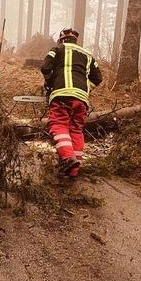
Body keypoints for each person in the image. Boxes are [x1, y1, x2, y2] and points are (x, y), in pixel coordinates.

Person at [40, 27, 102, 178]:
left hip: (62, 95)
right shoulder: (88, 56)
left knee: (58, 124)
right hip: (81, 99)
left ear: (61, 39)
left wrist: (50, 83)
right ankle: (73, 170)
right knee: (75, 130)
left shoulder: (57, 50)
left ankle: (68, 158)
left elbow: (45, 68)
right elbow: (98, 79)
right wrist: (85, 90)